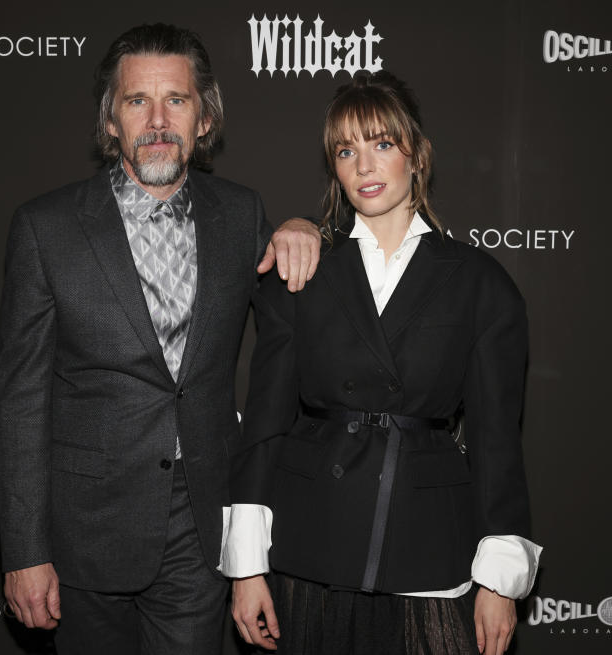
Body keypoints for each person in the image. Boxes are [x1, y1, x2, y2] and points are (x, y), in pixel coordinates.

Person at [0, 23, 320, 655]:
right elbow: (20, 400)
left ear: (204, 118)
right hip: (85, 530)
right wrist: (25, 551)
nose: (158, 119)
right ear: (111, 120)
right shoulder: (46, 227)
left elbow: (307, 303)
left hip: (199, 524)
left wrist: (305, 224)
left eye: (178, 100)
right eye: (137, 101)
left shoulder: (241, 213)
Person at [221, 71, 542, 655]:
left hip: (428, 545)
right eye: (347, 151)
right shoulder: (304, 273)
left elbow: (497, 440)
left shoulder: (480, 284)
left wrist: (500, 578)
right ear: (334, 167)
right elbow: (264, 426)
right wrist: (246, 568)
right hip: (312, 542)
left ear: (415, 155)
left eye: (382, 145)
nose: (365, 165)